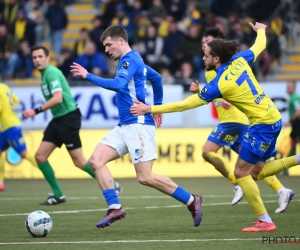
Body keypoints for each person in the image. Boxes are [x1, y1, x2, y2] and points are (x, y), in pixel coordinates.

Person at [130, 22, 300, 232]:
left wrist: (150, 108)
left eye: (207, 55)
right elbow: (259, 45)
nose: (203, 58)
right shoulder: (240, 59)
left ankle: (265, 221)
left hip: (262, 125)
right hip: (272, 118)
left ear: (216, 59)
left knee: (240, 173)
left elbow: (185, 105)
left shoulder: (219, 83)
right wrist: (261, 30)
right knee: (257, 172)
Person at [70, 25, 203, 229]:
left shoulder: (130, 60)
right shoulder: (133, 60)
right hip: (125, 125)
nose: (106, 50)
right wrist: (156, 107)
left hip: (138, 125)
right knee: (96, 161)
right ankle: (115, 207)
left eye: (108, 45)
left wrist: (87, 75)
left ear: (120, 41)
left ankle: (191, 200)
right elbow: (156, 78)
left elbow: (117, 84)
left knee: (145, 177)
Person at [189, 27, 293, 213]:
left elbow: (225, 90)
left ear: (216, 51)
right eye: (202, 42)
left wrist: (212, 98)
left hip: (232, 121)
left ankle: (237, 184)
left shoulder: (216, 68)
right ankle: (282, 190)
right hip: (245, 121)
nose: (204, 46)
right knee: (255, 167)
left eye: (208, 42)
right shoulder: (220, 65)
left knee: (208, 152)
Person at [22, 46, 121, 205]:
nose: (37, 60)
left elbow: (58, 98)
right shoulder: (45, 75)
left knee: (79, 161)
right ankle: (58, 195)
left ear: (48, 58)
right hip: (58, 120)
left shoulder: (52, 73)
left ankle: (113, 185)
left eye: (40, 56)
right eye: (34, 57)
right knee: (40, 156)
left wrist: (35, 111)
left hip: (68, 118)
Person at [0, 83, 39, 191]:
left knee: (24, 153)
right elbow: (16, 101)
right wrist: (8, 110)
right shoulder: (5, 87)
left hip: (10, 127)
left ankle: (48, 171)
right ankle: (0, 183)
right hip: (7, 126)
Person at [285, 80, 300, 175]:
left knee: (294, 142)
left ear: (294, 88)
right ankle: (290, 165)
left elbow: (298, 111)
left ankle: (289, 165)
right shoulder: (293, 97)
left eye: (289, 86)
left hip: (298, 123)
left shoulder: (294, 98)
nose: (287, 88)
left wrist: (289, 121)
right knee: (293, 141)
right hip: (296, 123)